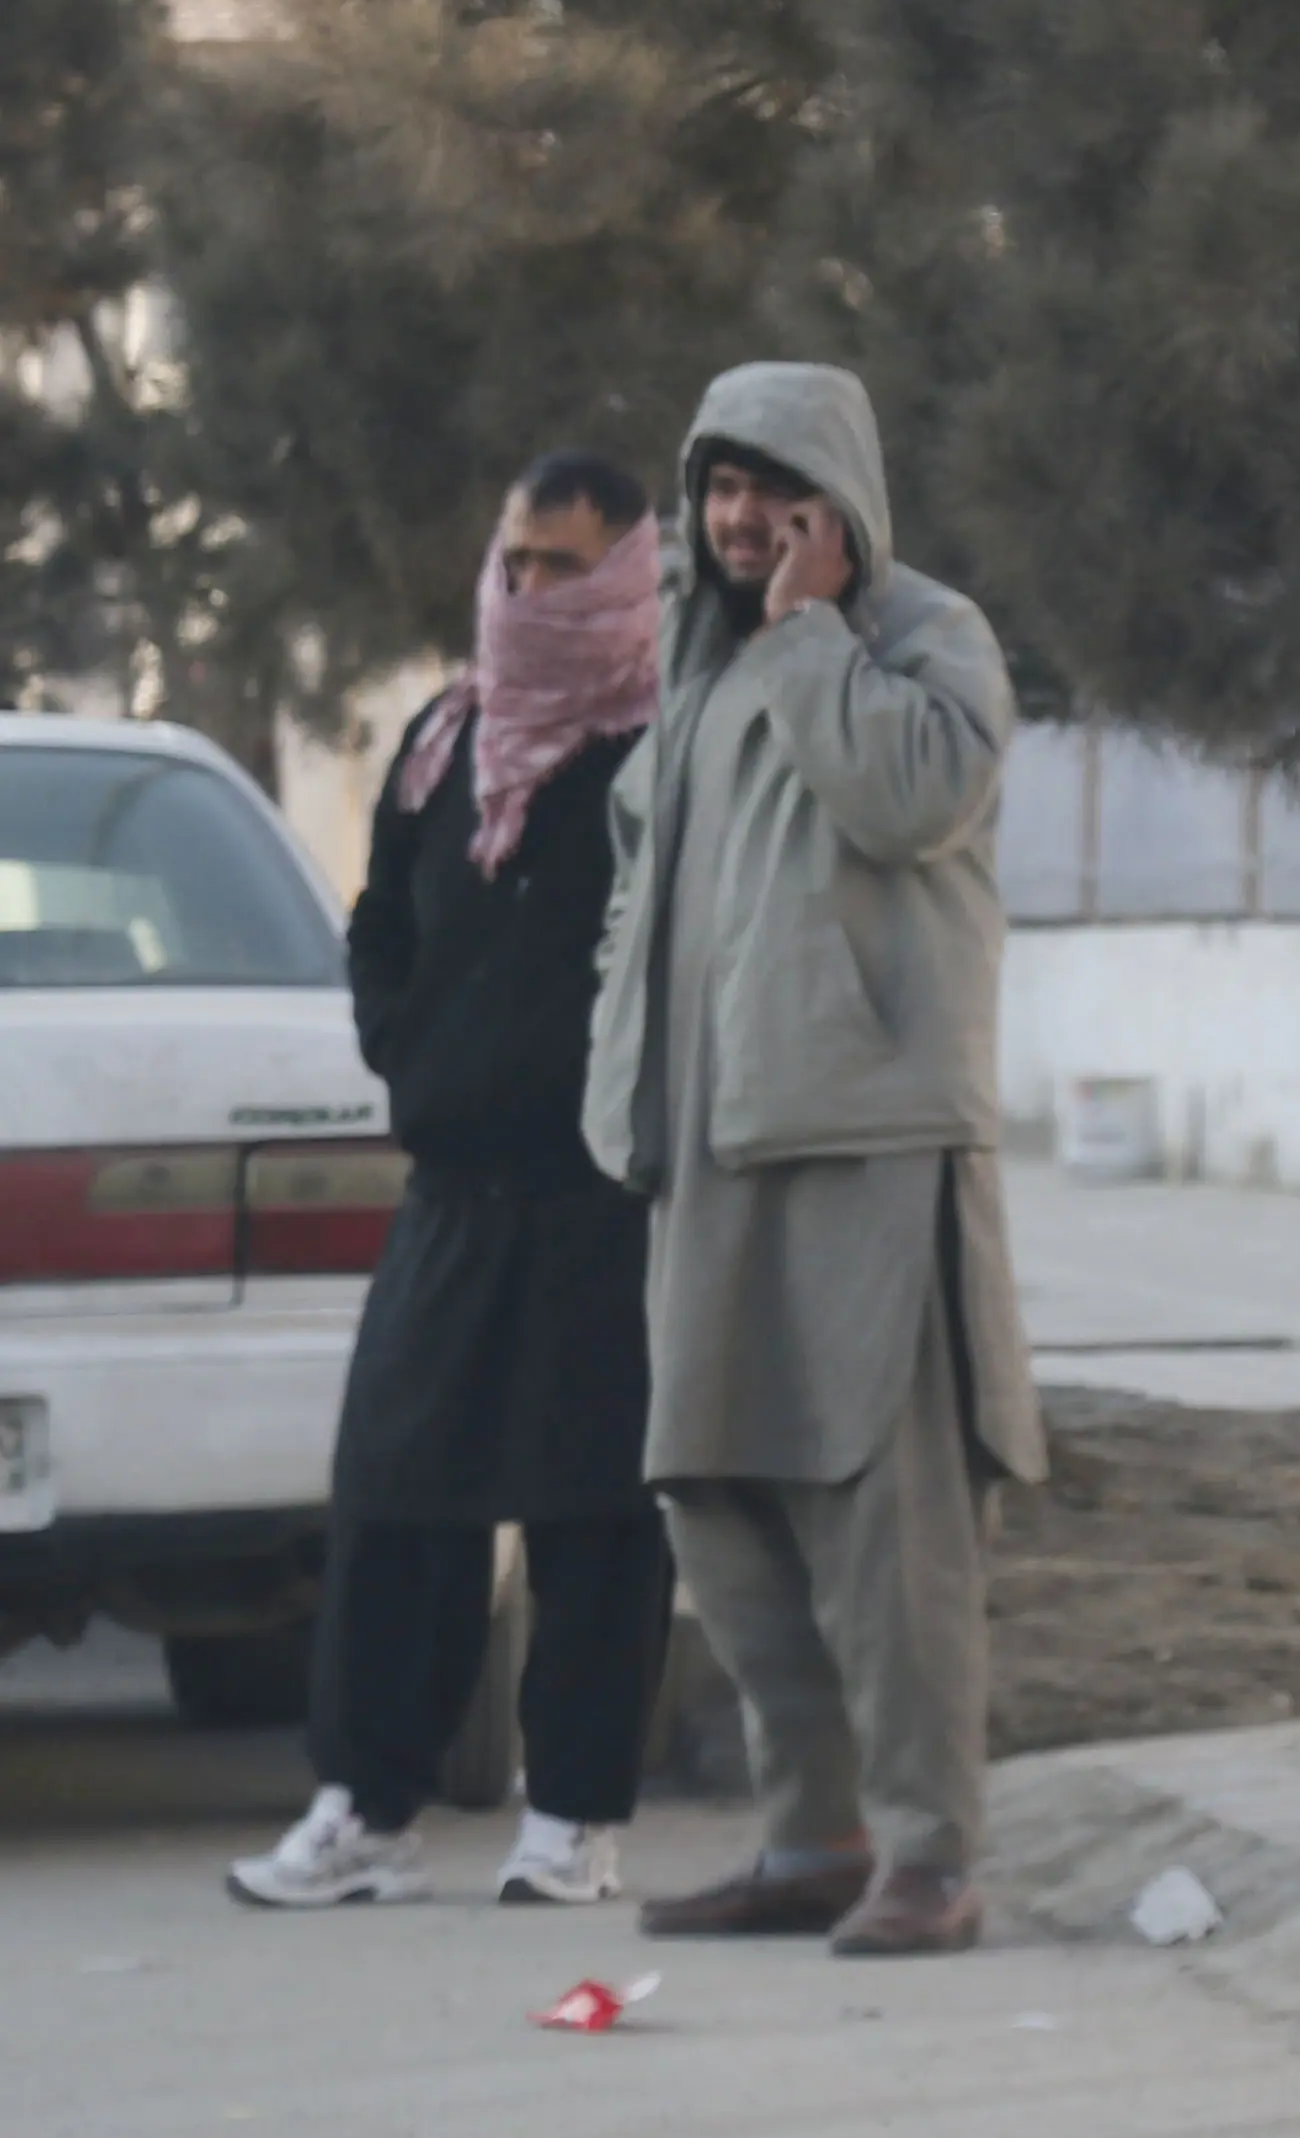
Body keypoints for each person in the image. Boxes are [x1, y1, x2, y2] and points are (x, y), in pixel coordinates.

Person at [582, 364, 1045, 1960]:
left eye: (773, 490)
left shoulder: (928, 638)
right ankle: (814, 1838)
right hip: (707, 1152)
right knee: (721, 1501)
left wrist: (806, 628)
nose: (737, 519)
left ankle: (933, 1855)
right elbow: (641, 886)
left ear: (839, 503)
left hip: (866, 1145)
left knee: (882, 1523)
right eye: (718, 487)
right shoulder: (698, 672)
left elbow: (909, 794)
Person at [229, 452, 674, 1911]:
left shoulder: (661, 752)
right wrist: (404, 1042)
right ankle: (368, 1806)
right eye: (516, 559)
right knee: (397, 1491)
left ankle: (575, 1819)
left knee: (593, 1513)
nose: (531, 588)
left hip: (603, 1196)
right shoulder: (446, 737)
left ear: (623, 574)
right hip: (455, 1187)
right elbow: (382, 916)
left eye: (564, 564)